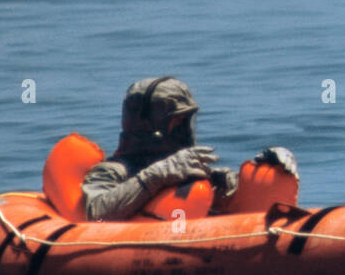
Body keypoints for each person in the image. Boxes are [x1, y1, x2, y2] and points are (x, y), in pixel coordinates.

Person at [81, 76, 297, 221]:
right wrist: (157, 175)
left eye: (188, 122)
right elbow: (97, 212)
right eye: (178, 124)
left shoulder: (186, 169)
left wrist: (268, 169)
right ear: (150, 127)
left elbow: (227, 195)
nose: (186, 132)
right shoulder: (113, 171)